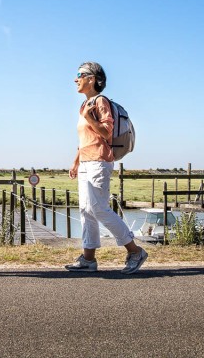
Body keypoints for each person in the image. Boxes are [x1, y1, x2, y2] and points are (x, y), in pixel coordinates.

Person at [65, 62, 148, 274]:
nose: (76, 79)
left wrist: (89, 118)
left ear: (91, 79)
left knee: (99, 208)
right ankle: (88, 259)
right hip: (86, 162)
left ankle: (135, 251)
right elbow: (85, 139)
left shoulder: (100, 102)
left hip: (99, 162)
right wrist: (76, 162)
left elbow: (106, 133)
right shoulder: (85, 105)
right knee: (86, 211)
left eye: (79, 75)